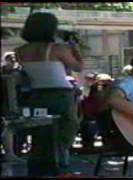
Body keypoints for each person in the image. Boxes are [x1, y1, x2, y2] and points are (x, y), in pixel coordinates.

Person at [14, 12, 83, 176]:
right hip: (61, 93)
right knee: (68, 126)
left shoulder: (19, 51)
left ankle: (40, 163)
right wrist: (75, 47)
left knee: (41, 132)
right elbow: (78, 67)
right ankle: (60, 158)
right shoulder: (57, 48)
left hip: (36, 94)